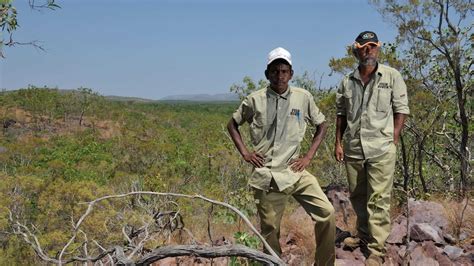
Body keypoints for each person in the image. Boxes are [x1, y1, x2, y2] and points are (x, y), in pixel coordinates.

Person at [227, 47, 335, 266]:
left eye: (284, 71)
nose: (280, 76)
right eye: (275, 71)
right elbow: (232, 124)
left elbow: (322, 125)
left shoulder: (303, 98)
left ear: (291, 74)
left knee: (327, 213)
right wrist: (245, 153)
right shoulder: (254, 100)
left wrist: (308, 156)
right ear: (267, 74)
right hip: (267, 176)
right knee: (270, 232)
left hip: (295, 172)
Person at [334, 31, 409, 266]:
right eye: (364, 46)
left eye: (373, 46)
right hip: (354, 148)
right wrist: (338, 142)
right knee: (358, 195)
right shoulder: (347, 81)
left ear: (378, 48)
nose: (369, 50)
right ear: (356, 49)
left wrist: (393, 139)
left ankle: (377, 250)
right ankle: (364, 237)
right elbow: (341, 114)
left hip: (382, 148)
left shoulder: (392, 76)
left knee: (378, 198)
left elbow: (401, 109)